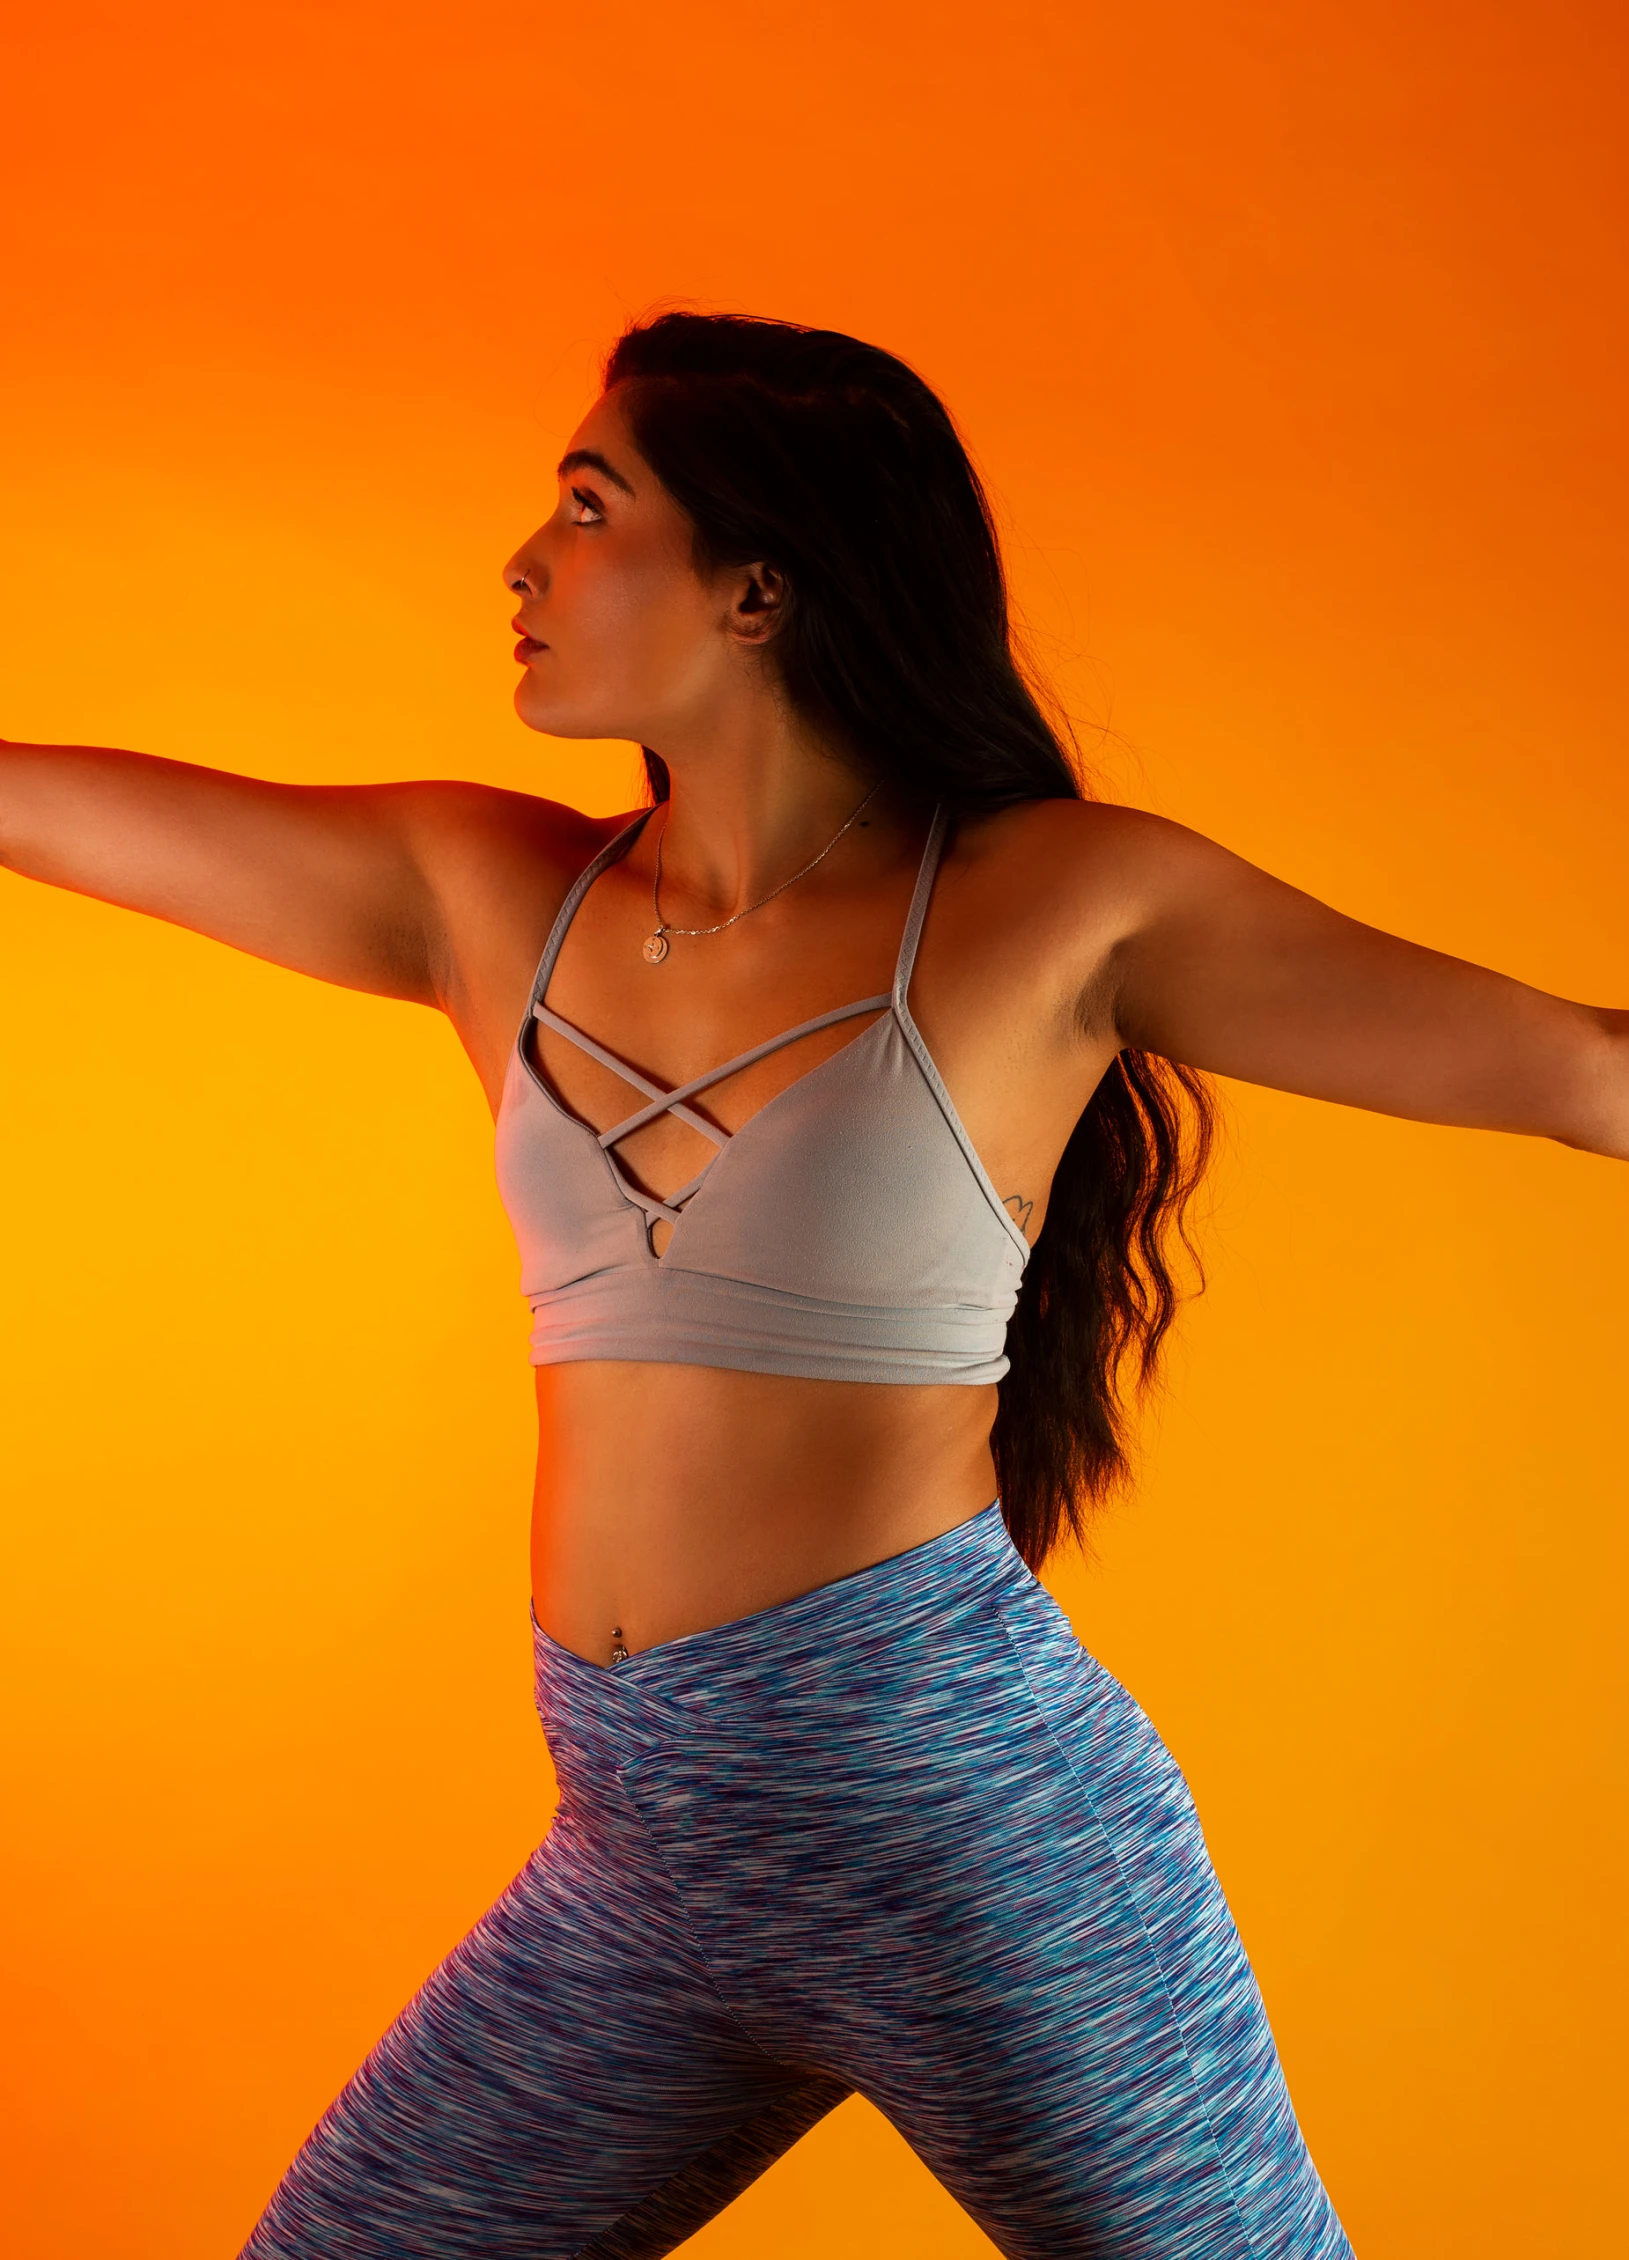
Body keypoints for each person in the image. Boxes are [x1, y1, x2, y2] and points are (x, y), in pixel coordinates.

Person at [3, 312, 1622, 2260]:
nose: (523, 558)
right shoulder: (488, 892)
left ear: (756, 586)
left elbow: (1581, 1073)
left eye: (589, 508)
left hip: (970, 1833)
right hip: (652, 1856)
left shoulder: (1053, 900)